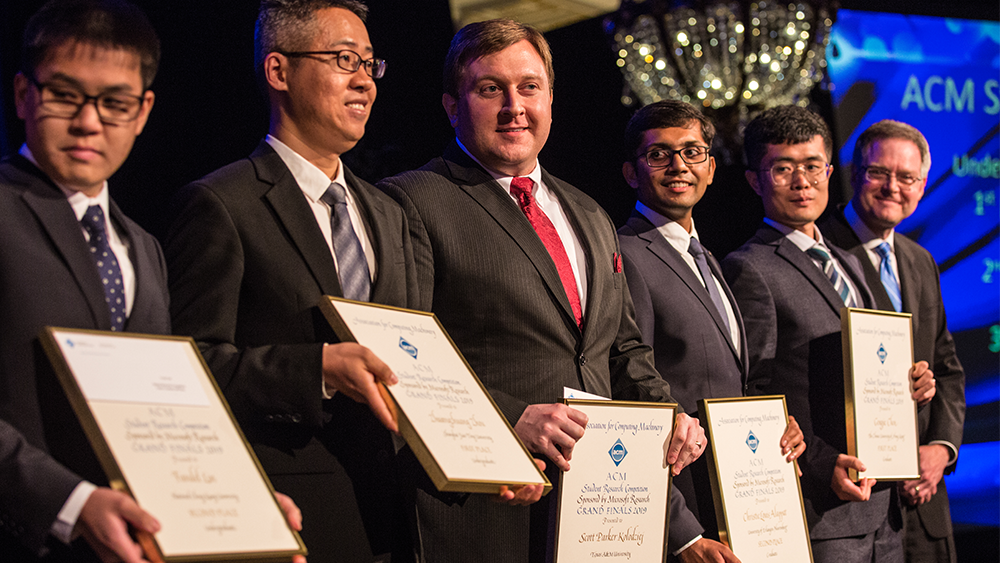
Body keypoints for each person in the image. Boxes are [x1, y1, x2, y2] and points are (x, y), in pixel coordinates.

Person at [377, 19, 706, 563]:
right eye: (490, 89)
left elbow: (620, 349)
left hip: (605, 514)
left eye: (529, 87)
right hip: (482, 513)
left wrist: (666, 412)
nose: (514, 106)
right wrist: (509, 418)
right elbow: (403, 356)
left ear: (550, 98)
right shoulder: (409, 202)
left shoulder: (590, 213)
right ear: (452, 106)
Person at [1, 2, 307, 562]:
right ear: (23, 94)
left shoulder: (142, 247)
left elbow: (160, 413)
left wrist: (239, 499)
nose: (89, 121)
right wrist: (72, 503)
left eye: (114, 103)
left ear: (142, 112)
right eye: (65, 95)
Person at [164, 1, 416, 561]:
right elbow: (186, 370)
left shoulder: (388, 212)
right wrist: (316, 370)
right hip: (298, 512)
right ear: (278, 71)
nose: (364, 82)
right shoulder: (220, 205)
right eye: (344, 59)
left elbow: (417, 359)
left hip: (396, 516)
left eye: (370, 64)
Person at [720, 105, 936, 563]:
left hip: (885, 511)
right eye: (783, 168)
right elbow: (751, 394)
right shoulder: (749, 268)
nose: (802, 182)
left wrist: (911, 383)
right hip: (824, 516)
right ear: (756, 181)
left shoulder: (849, 260)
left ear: (830, 171)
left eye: (813, 166)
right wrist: (818, 464)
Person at [617, 100, 806, 562]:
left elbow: (731, 383)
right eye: (659, 154)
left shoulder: (709, 258)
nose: (678, 165)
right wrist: (680, 532)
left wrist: (777, 428)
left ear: (711, 168)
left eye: (692, 152)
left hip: (736, 503)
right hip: (683, 516)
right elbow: (629, 393)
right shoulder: (624, 254)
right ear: (630, 172)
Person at [820, 120, 965, 563]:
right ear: (855, 173)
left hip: (923, 503)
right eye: (879, 172)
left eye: (907, 178)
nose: (892, 188)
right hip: (852, 507)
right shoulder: (817, 250)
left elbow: (946, 365)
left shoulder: (920, 261)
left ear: (922, 185)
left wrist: (940, 449)